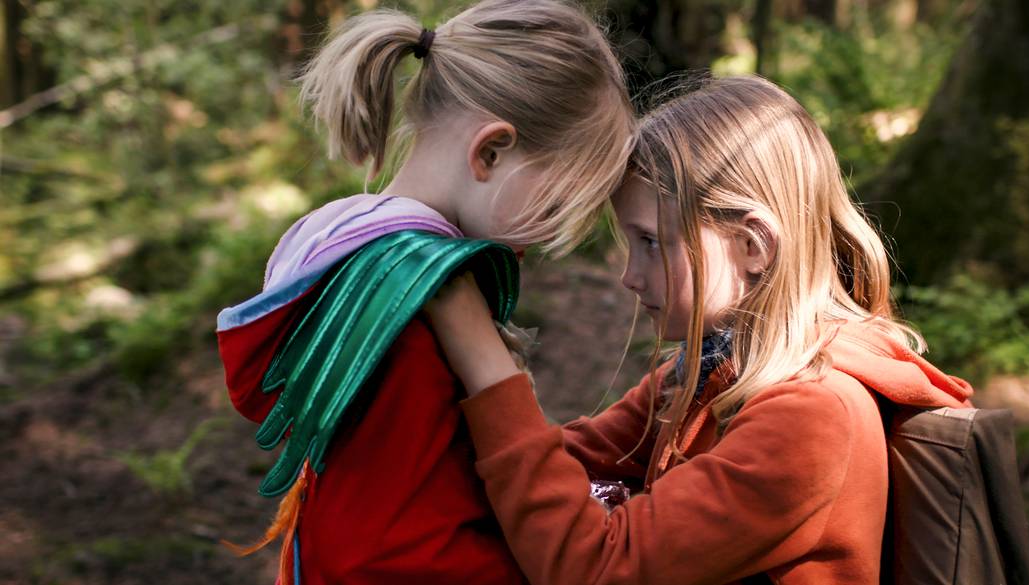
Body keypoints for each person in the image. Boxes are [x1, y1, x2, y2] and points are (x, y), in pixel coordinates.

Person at [425, 75, 974, 585]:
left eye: (650, 243)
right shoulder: (705, 374)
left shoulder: (810, 415)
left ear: (753, 246)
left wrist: (486, 364)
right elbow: (561, 461)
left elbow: (593, 566)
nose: (629, 276)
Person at [215, 1, 634, 583]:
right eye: (558, 204)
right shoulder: (413, 308)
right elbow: (399, 537)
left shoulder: (348, 243)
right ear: (491, 151)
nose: (549, 237)